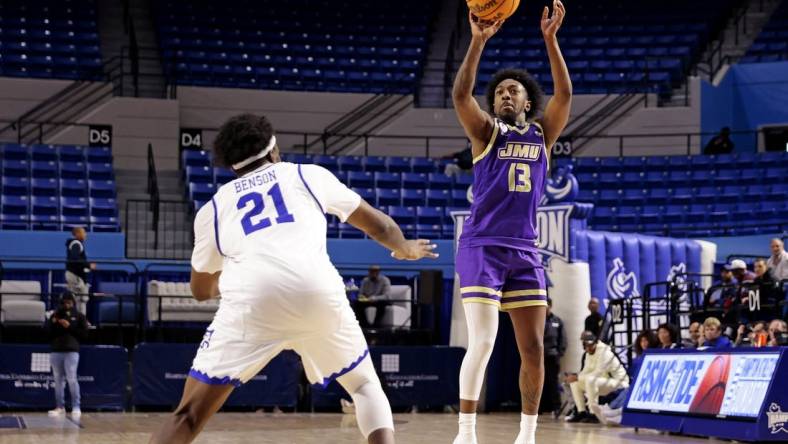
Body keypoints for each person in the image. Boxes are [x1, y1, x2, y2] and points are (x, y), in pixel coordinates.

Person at [149, 114, 438, 444]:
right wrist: (404, 248)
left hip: (252, 302)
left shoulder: (212, 210)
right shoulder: (307, 174)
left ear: (231, 165)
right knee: (363, 385)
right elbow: (381, 227)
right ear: (274, 151)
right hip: (317, 291)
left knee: (188, 414)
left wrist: (228, 278)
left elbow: (200, 291)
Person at [450, 2, 572, 443]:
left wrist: (550, 40)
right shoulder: (485, 133)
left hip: (524, 249)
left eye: (513, 90)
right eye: (500, 90)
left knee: (534, 348)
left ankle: (527, 434)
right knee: (482, 341)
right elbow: (461, 96)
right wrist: (478, 42)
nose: (505, 93)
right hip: (481, 244)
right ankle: (466, 432)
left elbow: (564, 97)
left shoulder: (542, 134)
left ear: (526, 101)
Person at [594, 330, 658, 425]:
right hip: (633, 383)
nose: (644, 343)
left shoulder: (654, 356)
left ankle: (612, 410)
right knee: (624, 389)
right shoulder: (638, 358)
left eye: (646, 340)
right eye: (642, 341)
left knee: (629, 390)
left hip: (648, 386)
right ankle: (611, 410)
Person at [565, 331, 628, 424]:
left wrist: (578, 377)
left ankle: (593, 414)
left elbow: (598, 373)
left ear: (595, 342)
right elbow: (585, 371)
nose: (588, 348)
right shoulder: (587, 354)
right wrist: (575, 378)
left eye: (590, 345)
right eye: (586, 345)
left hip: (620, 383)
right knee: (575, 382)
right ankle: (581, 411)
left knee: (590, 380)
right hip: (604, 382)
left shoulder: (605, 353)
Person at [47, 291, 88, 421]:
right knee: (58, 380)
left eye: (69, 302)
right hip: (56, 351)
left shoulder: (80, 316)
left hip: (71, 351)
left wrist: (69, 327)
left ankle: (76, 406)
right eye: (64, 302)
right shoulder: (55, 315)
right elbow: (46, 332)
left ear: (73, 302)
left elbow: (84, 335)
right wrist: (53, 323)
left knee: (71, 378)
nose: (67, 305)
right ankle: (60, 407)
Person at [540, 298, 566, 415]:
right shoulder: (537, 319)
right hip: (539, 357)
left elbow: (563, 339)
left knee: (553, 382)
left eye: (547, 306)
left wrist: (559, 353)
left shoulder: (557, 321)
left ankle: (556, 407)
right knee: (539, 382)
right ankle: (538, 408)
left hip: (552, 356)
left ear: (550, 306)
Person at [65, 227, 94, 312]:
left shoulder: (76, 244)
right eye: (83, 232)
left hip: (75, 274)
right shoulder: (76, 244)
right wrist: (88, 265)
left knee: (79, 299)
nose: (85, 234)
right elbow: (75, 258)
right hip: (75, 275)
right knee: (81, 299)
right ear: (77, 234)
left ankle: (79, 320)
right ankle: (81, 322)